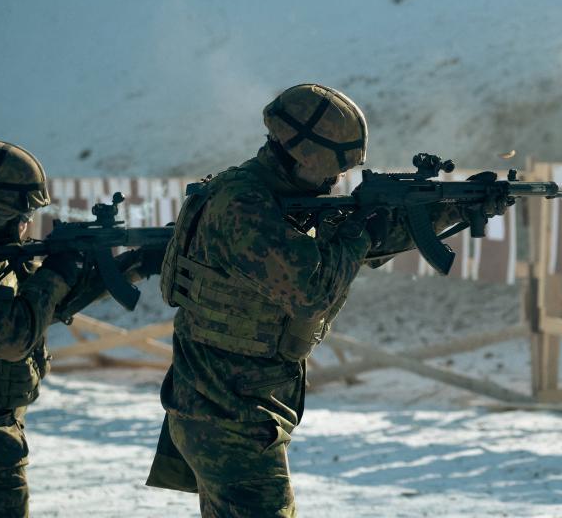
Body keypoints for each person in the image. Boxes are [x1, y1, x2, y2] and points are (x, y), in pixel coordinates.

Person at [146, 83, 502, 517]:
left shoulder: (272, 196)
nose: (335, 181)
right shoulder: (243, 205)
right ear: (302, 154)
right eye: (331, 170)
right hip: (226, 414)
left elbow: (353, 250)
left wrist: (453, 209)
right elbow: (312, 289)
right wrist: (361, 228)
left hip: (233, 405)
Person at [0, 140, 157, 516]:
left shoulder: (1, 262)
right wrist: (56, 272)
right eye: (22, 212)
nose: (27, 222)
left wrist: (137, 263)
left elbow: (49, 305)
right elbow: (11, 337)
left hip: (0, 442)